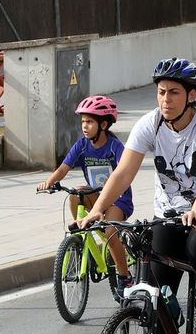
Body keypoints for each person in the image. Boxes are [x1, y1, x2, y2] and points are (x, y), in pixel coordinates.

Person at [83, 58, 196, 334]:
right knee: (156, 297)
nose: (165, 100)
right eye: (161, 92)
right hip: (171, 212)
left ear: (191, 95)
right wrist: (98, 209)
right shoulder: (151, 123)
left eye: (173, 92)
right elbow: (123, 172)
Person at [36, 95, 133, 297]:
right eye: (83, 122)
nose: (85, 126)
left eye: (89, 122)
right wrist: (50, 181)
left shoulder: (115, 148)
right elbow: (64, 167)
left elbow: (125, 172)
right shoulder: (81, 145)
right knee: (75, 193)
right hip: (95, 197)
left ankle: (125, 277)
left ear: (104, 124)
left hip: (118, 200)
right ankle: (82, 236)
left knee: (110, 231)